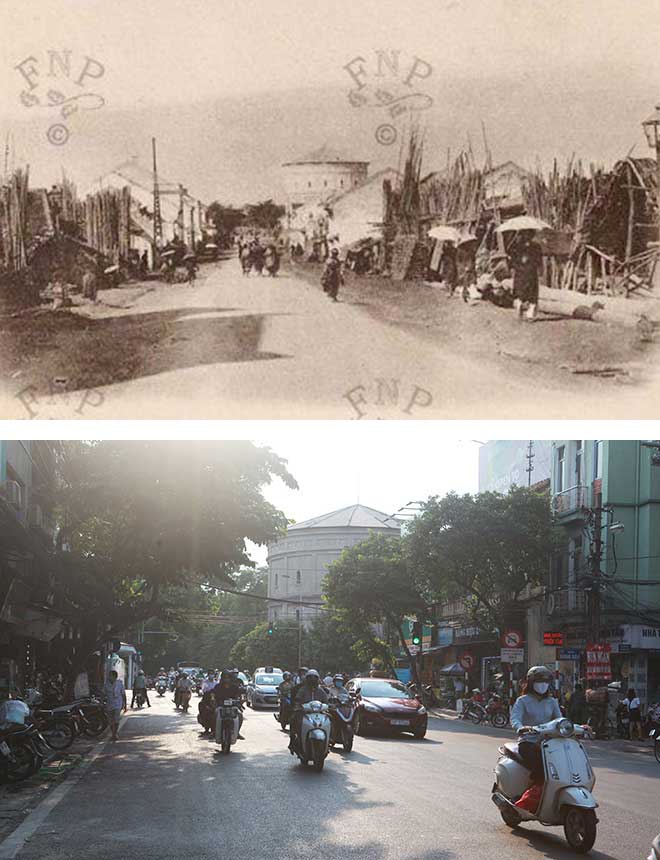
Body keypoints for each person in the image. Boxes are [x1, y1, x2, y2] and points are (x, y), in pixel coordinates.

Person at [509, 665, 562, 810]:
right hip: (529, 742)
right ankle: (531, 793)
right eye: (539, 681)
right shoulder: (522, 701)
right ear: (531, 682)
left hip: (550, 743)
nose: (543, 684)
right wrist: (520, 728)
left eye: (546, 681)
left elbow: (560, 721)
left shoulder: (552, 701)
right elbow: (515, 718)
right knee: (541, 766)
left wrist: (579, 728)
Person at [289, 669, 328, 752]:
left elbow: (326, 700)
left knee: (330, 719)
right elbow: (297, 699)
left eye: (315, 678)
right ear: (307, 679)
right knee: (293, 719)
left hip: (319, 713)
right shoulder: (303, 689)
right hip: (304, 713)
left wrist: (329, 705)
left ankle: (329, 739)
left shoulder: (321, 690)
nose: (312, 680)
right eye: (310, 678)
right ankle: (293, 741)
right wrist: (298, 705)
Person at [509, 230, 542, 321]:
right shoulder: (535, 246)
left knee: (522, 292)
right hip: (529, 272)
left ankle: (522, 305)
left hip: (522, 272)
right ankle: (529, 313)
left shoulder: (517, 246)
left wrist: (515, 266)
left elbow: (512, 260)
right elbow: (539, 261)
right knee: (531, 294)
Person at [213, 670, 245, 739]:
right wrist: (213, 699)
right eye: (225, 678)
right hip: (221, 706)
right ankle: (214, 732)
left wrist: (240, 700)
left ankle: (237, 733)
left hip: (233, 707)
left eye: (228, 678)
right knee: (215, 714)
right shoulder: (218, 687)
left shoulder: (235, 687)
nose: (226, 679)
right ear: (222, 678)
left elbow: (239, 696)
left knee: (240, 715)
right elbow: (213, 695)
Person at [103, 670, 127, 742]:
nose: (109, 677)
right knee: (110, 720)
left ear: (114, 676)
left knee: (116, 719)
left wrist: (125, 705)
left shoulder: (119, 684)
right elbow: (103, 693)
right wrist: (101, 702)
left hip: (118, 704)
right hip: (109, 703)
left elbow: (123, 695)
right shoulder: (106, 684)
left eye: (110, 675)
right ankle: (113, 733)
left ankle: (114, 733)